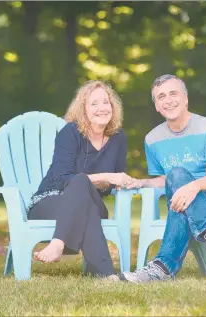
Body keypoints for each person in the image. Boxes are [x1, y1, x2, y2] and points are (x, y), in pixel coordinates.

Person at [122, 74, 206, 283]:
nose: (168, 100)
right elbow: (164, 180)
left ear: (185, 99)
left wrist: (191, 187)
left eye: (173, 93)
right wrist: (141, 182)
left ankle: (162, 268)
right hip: (187, 199)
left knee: (178, 184)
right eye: (161, 97)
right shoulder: (152, 139)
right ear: (157, 106)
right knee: (177, 186)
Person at [27, 80, 133, 281]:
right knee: (80, 184)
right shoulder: (71, 132)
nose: (102, 108)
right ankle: (107, 275)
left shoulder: (119, 138)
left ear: (113, 106)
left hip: (90, 201)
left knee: (84, 192)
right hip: (49, 201)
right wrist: (106, 177)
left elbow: (111, 186)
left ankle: (58, 244)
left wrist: (115, 182)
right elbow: (61, 179)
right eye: (94, 104)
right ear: (83, 109)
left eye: (106, 102)